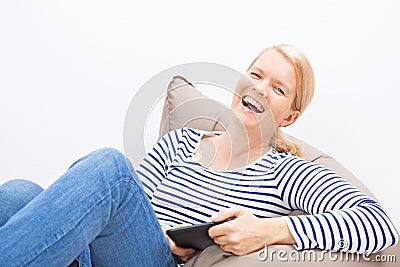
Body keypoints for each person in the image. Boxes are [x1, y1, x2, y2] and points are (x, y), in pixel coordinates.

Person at [0, 44, 398, 266]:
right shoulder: (181, 142)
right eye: (256, 75)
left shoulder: (287, 171)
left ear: (289, 115)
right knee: (18, 192)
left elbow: (381, 226)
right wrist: (160, 235)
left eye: (278, 89)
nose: (260, 89)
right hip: (109, 257)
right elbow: (121, 210)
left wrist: (270, 230)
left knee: (111, 168)